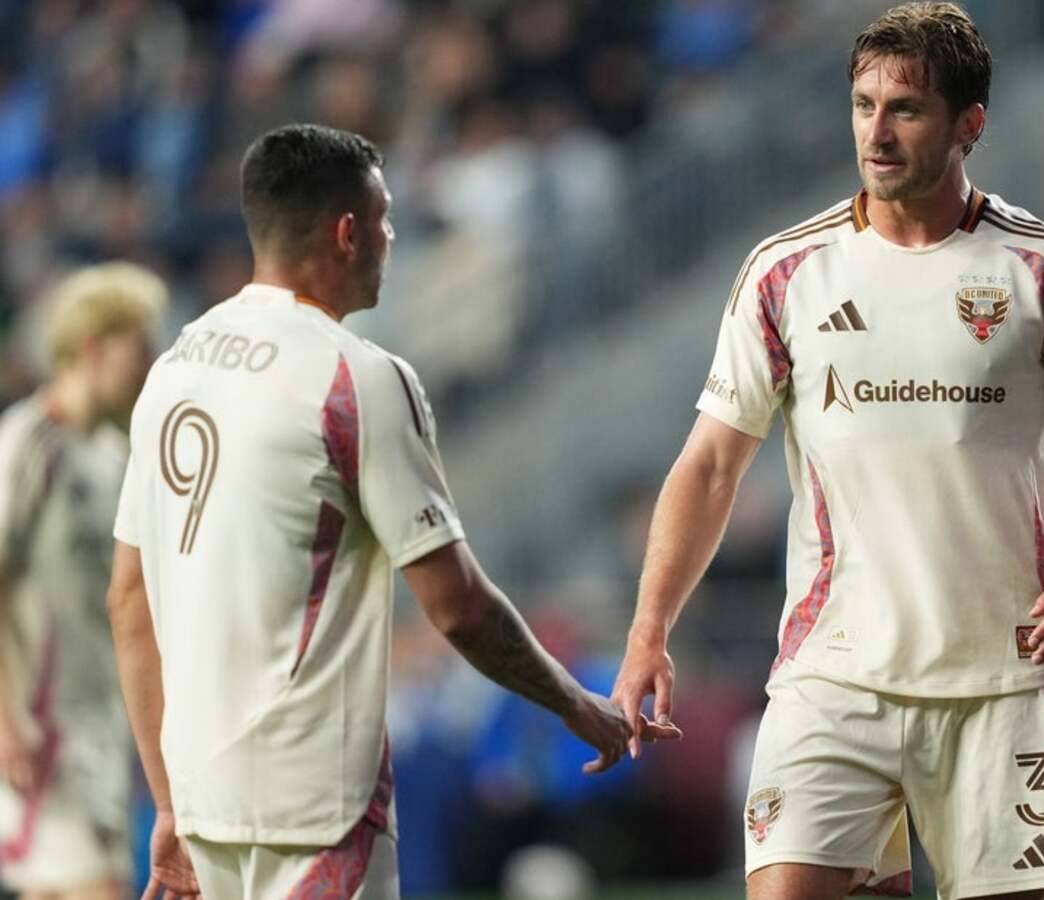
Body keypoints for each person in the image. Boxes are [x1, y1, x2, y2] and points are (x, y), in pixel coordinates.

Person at [610, 5, 1044, 899]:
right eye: (863, 105)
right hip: (832, 677)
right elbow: (711, 466)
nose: (876, 132)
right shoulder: (786, 273)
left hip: (1003, 685)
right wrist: (649, 631)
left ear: (969, 125)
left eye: (905, 109)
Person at [106, 123, 673, 900]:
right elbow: (458, 608)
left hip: (202, 804)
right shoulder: (357, 378)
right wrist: (575, 704)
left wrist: (169, 802)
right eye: (386, 220)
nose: (392, 240)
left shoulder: (174, 369)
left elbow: (128, 599)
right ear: (349, 233)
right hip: (315, 808)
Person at [0, 263, 165, 900]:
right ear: (93, 347)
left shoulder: (115, 456)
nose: (149, 361)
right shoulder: (29, 442)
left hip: (101, 725)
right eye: (139, 344)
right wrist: (7, 723)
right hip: (42, 729)